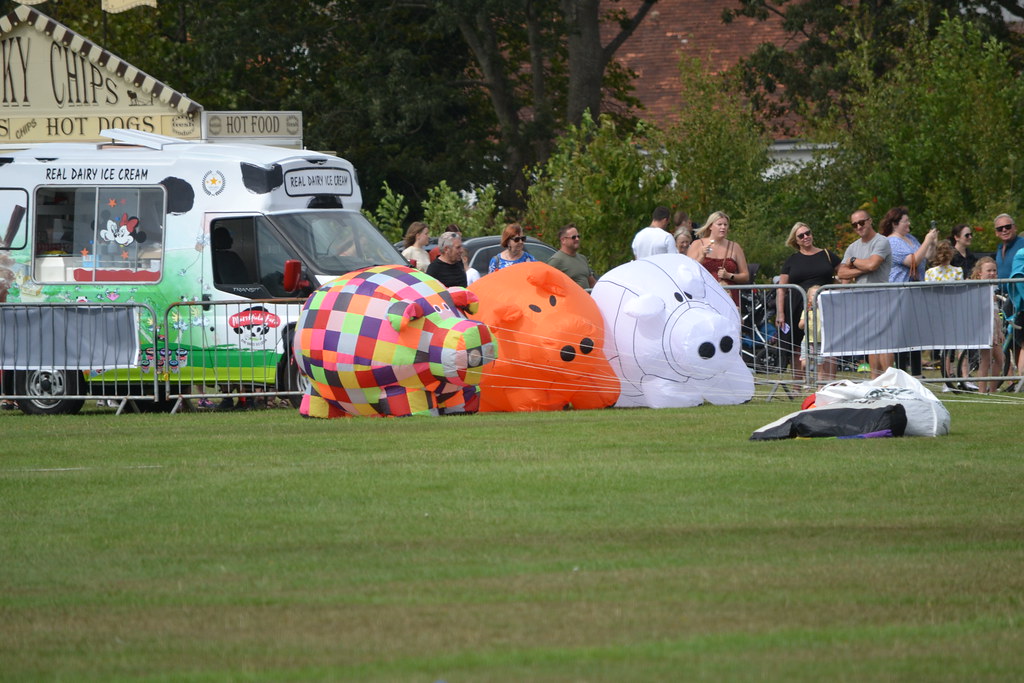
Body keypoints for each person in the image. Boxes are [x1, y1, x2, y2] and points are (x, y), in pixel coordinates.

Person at [775, 221, 841, 380]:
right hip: (797, 305)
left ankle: (827, 382)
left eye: (808, 233)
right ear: (795, 240)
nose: (806, 237)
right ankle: (798, 384)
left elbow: (843, 273)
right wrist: (780, 312)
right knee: (797, 346)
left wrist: (840, 289)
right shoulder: (792, 260)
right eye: (801, 235)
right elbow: (781, 288)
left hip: (825, 306)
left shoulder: (826, 254)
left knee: (828, 344)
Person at [879, 207, 938, 377]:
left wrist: (932, 243)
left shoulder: (911, 238)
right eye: (906, 221)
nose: (909, 224)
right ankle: (902, 374)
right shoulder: (891, 242)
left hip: (915, 292)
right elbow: (911, 261)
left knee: (915, 334)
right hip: (898, 293)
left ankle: (917, 374)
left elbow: (928, 257)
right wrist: (926, 240)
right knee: (901, 335)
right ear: (895, 223)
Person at [837, 210, 893, 377]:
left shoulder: (881, 241)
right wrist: (863, 268)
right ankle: (875, 380)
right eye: (855, 225)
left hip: (882, 298)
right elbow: (841, 274)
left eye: (862, 222)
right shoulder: (852, 247)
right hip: (862, 300)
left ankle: (890, 381)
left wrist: (854, 262)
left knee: (884, 343)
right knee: (871, 343)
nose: (859, 227)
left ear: (870, 221)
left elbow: (873, 265)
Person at [686, 210, 749, 307]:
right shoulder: (698, 244)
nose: (723, 227)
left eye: (725, 225)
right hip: (704, 296)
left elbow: (745, 276)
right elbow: (688, 272)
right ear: (710, 226)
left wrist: (729, 275)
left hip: (729, 296)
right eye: (719, 224)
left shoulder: (735, 247)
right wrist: (702, 256)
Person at [971, 257, 1006, 394]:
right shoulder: (978, 288)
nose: (992, 273)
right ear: (980, 273)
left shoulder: (992, 288)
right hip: (984, 328)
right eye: (988, 270)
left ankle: (992, 389)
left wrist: (999, 331)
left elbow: (996, 313)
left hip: (994, 328)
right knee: (986, 359)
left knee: (1000, 359)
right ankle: (982, 390)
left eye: (994, 270)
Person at [798, 285, 835, 383]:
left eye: (819, 294)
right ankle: (806, 379)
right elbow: (800, 325)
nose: (816, 297)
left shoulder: (825, 311)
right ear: (809, 298)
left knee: (820, 365)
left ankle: (819, 385)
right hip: (807, 341)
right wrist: (805, 318)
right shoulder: (806, 311)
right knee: (805, 363)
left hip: (820, 342)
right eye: (814, 295)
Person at [547, 223, 597, 290]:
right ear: (563, 240)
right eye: (573, 237)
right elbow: (547, 285)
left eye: (578, 236)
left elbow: (592, 283)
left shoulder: (582, 258)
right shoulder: (556, 260)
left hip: (585, 299)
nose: (577, 239)